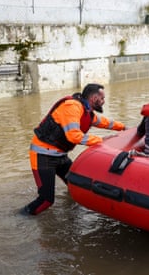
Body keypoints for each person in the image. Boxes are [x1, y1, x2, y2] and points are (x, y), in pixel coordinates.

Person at [23, 83, 126, 215]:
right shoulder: (72, 107)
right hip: (43, 155)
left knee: (76, 185)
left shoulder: (85, 110)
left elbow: (104, 122)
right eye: (102, 99)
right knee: (46, 200)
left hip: (60, 156)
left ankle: (71, 211)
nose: (103, 102)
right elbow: (74, 136)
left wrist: (123, 128)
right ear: (94, 98)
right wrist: (102, 140)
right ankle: (20, 217)